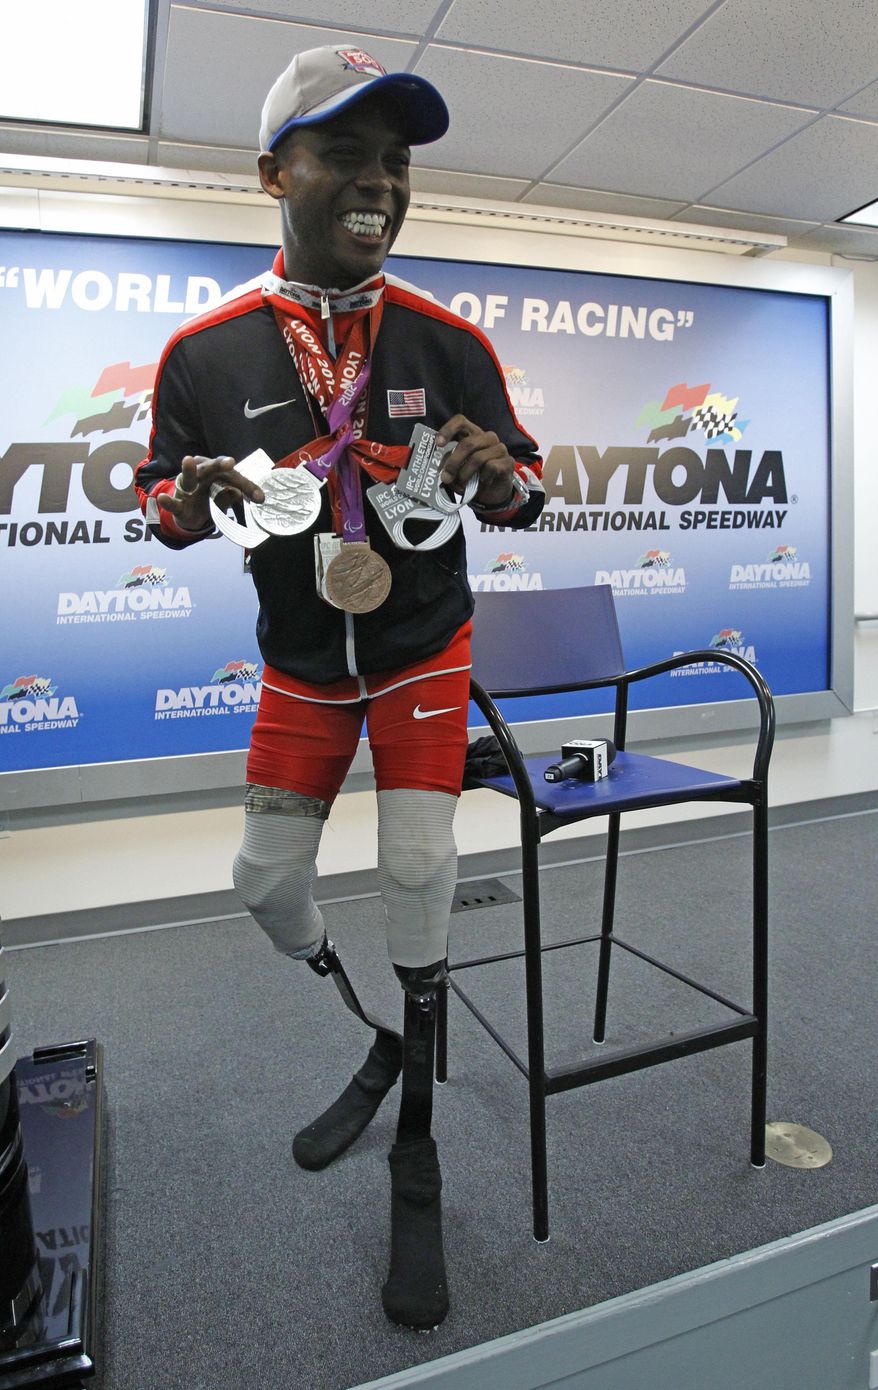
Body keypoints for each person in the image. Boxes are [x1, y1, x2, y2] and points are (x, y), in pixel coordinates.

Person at [135, 44, 544, 1330]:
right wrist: (188, 502)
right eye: (346, 154)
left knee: (419, 868)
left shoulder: (448, 339)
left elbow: (529, 487)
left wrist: (497, 479)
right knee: (262, 884)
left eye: (397, 162)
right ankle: (379, 1026)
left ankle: (416, 1145)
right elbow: (158, 506)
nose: (378, 182)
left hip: (424, 648)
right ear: (275, 172)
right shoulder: (203, 351)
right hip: (304, 664)